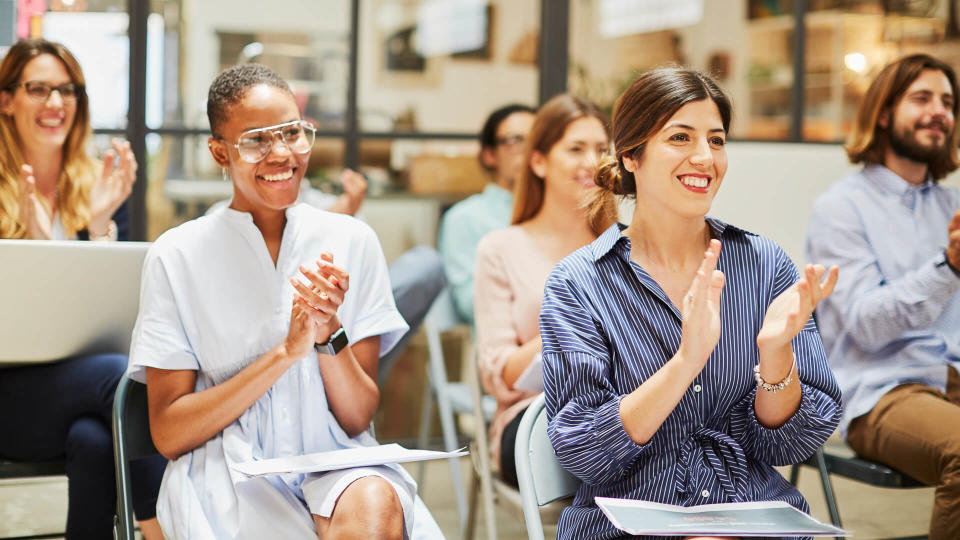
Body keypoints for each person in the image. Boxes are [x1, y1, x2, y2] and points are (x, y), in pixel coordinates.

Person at [128, 62, 435, 539]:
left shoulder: (352, 239)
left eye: (292, 133)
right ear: (219, 152)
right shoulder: (177, 255)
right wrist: (285, 352)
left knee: (375, 503)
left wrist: (327, 334)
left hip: (334, 456)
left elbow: (357, 417)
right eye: (256, 140)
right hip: (227, 468)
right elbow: (169, 433)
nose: (282, 154)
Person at [539, 68, 843, 540]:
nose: (705, 158)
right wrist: (685, 362)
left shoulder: (763, 265)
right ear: (631, 155)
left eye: (717, 140)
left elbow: (793, 442)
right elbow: (584, 452)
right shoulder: (579, 283)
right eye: (680, 137)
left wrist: (776, 356)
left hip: (753, 512)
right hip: (628, 521)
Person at [0, 38, 164, 539]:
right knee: (122, 381)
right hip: (9, 393)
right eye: (39, 89)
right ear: (6, 100)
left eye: (68, 90)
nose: (56, 103)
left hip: (77, 395)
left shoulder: (99, 187)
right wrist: (26, 243)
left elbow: (113, 311)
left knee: (96, 439)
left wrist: (98, 228)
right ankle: (167, 531)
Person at [806, 53, 960, 539]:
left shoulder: (951, 206)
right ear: (884, 113)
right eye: (922, 99)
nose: (939, 111)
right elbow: (866, 324)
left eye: (948, 102)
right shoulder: (841, 209)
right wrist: (948, 266)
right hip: (883, 390)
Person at [473, 94, 617, 486]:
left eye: (602, 149)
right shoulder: (500, 249)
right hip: (534, 420)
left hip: (623, 411)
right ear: (538, 161)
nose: (592, 161)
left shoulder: (625, 247)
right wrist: (573, 323)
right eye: (576, 149)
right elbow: (498, 374)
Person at [438, 103, 535, 324]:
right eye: (516, 141)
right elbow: (471, 304)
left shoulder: (561, 212)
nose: (530, 149)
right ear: (489, 154)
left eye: (537, 140)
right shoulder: (464, 218)